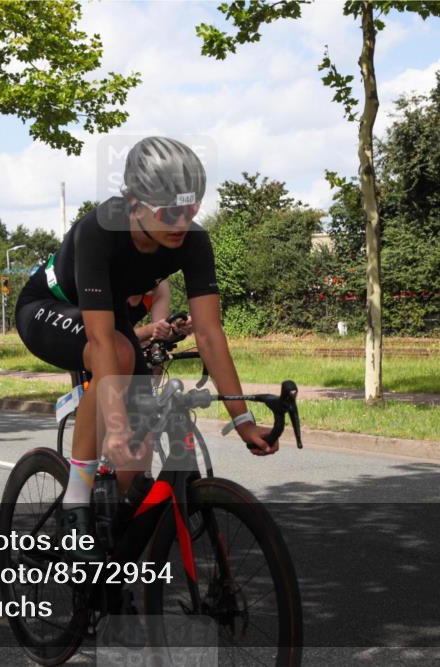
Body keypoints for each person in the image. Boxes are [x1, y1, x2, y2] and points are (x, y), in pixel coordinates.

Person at [15, 136, 279, 559]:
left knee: (136, 456)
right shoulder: (100, 229)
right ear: (135, 203)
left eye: (191, 210)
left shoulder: (192, 241)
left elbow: (211, 334)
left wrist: (243, 420)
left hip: (108, 318)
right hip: (49, 308)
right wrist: (114, 424)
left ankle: (108, 560)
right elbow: (102, 340)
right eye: (169, 212)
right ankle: (76, 505)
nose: (182, 222)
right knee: (118, 361)